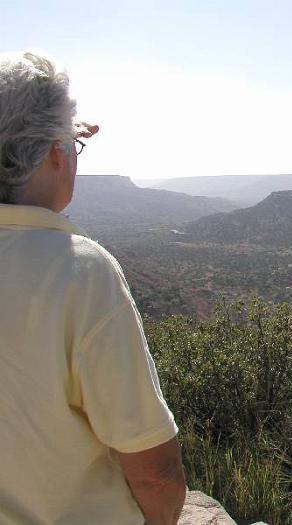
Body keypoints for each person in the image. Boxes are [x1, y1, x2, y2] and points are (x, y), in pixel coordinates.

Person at [0, 51, 186, 524]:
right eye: (73, 148)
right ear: (58, 155)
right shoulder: (78, 273)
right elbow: (154, 474)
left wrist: (53, 134)